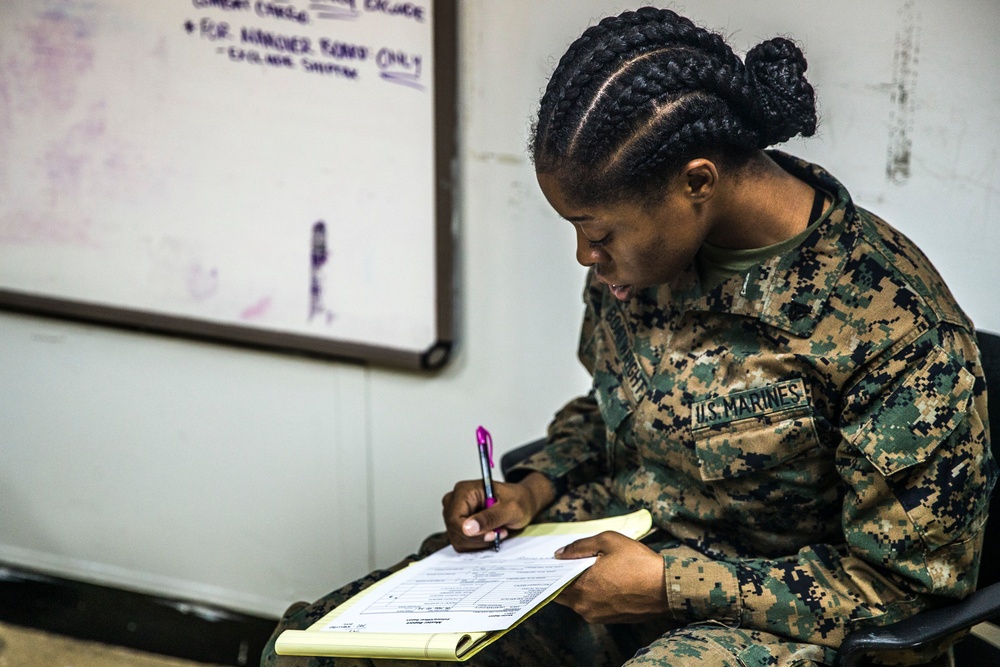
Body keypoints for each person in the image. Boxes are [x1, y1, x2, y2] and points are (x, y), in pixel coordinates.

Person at [262, 7, 994, 666]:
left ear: (697, 182)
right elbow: (616, 409)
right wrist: (531, 486)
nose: (585, 255)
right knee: (328, 647)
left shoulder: (896, 330)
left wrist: (671, 584)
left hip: (791, 621)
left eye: (596, 230)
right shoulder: (644, 262)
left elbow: (904, 593)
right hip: (619, 552)